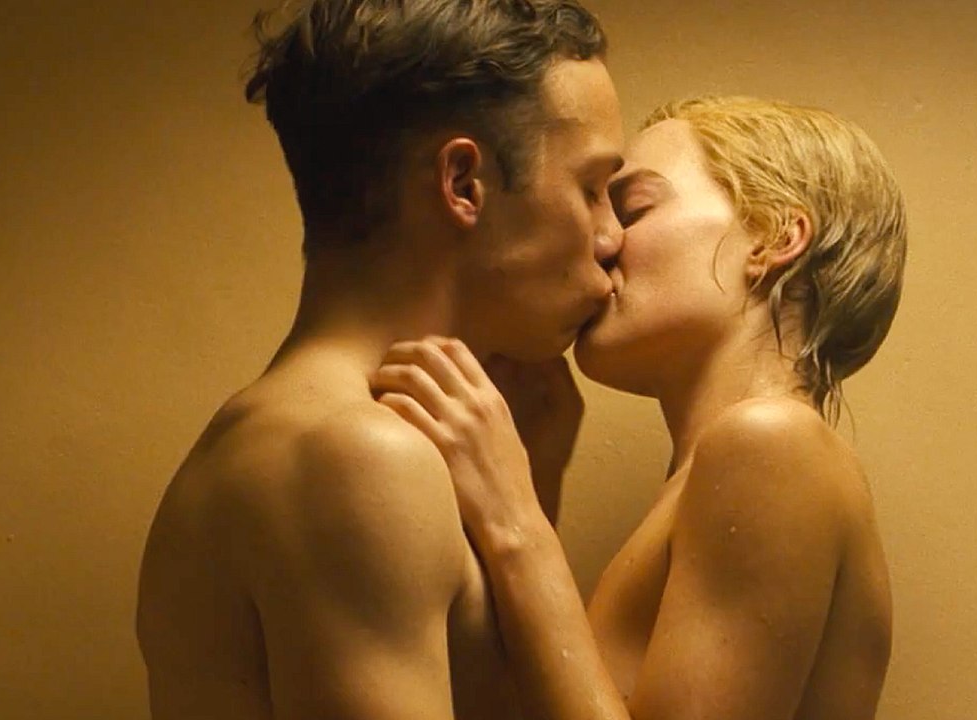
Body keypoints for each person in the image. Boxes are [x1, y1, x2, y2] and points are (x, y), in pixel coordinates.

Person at [135, 1, 627, 718]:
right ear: (463, 185)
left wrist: (532, 489)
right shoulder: (357, 458)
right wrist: (522, 526)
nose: (612, 237)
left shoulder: (324, 436)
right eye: (592, 189)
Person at [372, 96, 908, 720]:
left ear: (771, 238)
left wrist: (514, 518)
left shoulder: (771, 442)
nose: (601, 241)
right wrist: (536, 479)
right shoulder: (715, 472)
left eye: (634, 209)